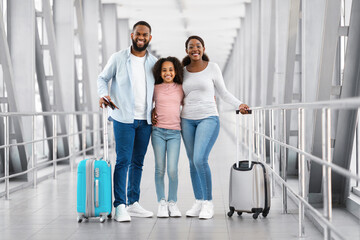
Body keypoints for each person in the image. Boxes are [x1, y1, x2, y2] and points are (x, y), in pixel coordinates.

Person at [180, 35, 250, 220]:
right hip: (186, 120)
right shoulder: (182, 71)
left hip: (208, 118)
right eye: (191, 46)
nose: (195, 49)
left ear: (203, 48)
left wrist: (239, 104)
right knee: (192, 162)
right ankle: (198, 201)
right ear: (186, 50)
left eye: (198, 46)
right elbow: (175, 95)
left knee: (200, 158)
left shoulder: (212, 68)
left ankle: (208, 203)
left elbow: (223, 92)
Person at [97, 21, 157, 222]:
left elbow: (161, 90)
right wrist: (104, 95)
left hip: (145, 120)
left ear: (150, 38)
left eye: (145, 35)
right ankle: (120, 205)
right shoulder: (118, 58)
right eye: (138, 34)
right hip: (123, 118)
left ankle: (133, 203)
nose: (141, 37)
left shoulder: (154, 62)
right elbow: (102, 78)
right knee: (123, 161)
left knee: (137, 162)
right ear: (132, 36)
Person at [151, 57, 184, 218]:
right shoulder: (154, 88)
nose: (168, 73)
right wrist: (151, 112)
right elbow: (146, 104)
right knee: (159, 169)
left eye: (170, 69)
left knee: (172, 170)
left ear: (176, 71)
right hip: (157, 132)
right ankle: (162, 203)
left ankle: (172, 202)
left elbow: (190, 103)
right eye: (164, 70)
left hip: (175, 133)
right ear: (159, 72)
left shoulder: (180, 88)